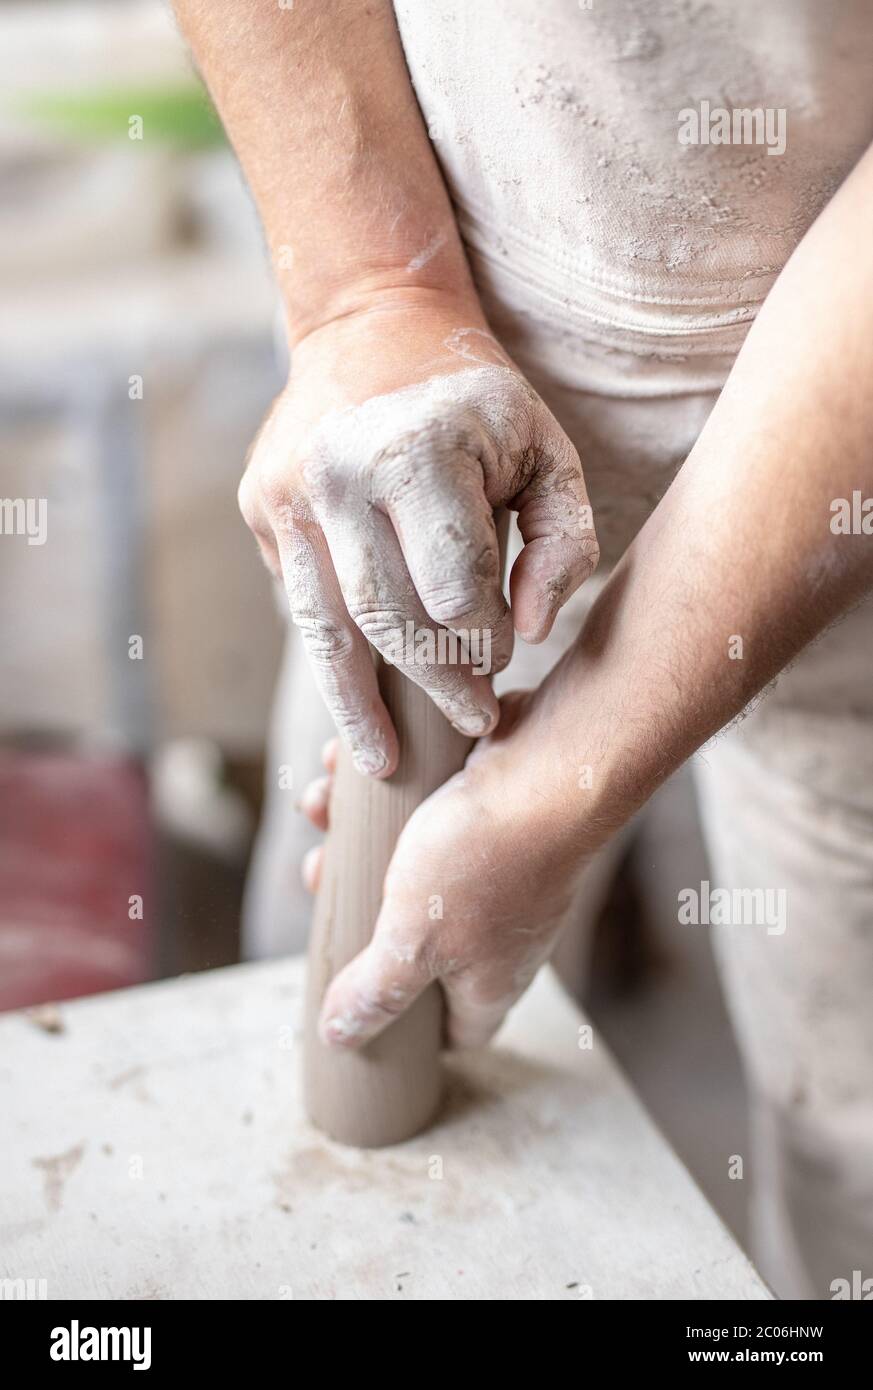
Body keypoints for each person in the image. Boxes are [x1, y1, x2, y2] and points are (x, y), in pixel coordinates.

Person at [172, 0, 873, 1299]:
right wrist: (367, 290)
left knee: (856, 1166)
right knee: (349, 994)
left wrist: (568, 775)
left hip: (846, 473)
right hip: (450, 364)